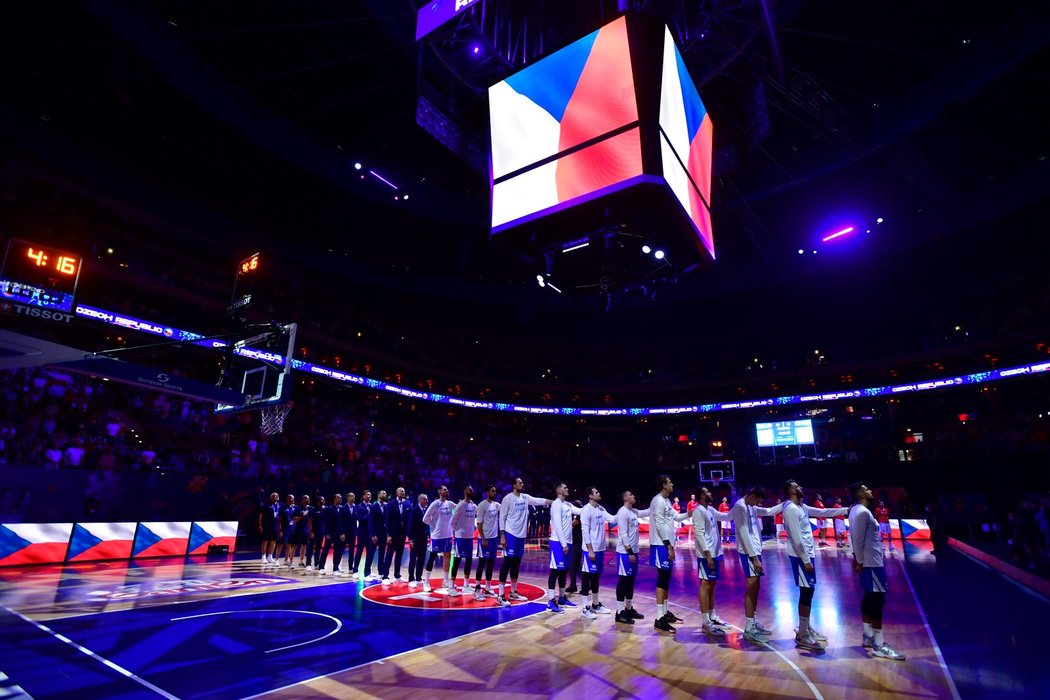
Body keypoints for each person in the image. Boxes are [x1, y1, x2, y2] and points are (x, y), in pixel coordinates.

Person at [781, 480, 849, 651]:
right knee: (806, 591)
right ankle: (803, 634)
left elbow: (822, 511)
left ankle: (806, 627)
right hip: (800, 557)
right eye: (797, 486)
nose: (801, 487)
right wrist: (805, 559)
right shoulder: (790, 509)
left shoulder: (801, 506)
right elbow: (795, 538)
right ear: (791, 491)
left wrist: (847, 510)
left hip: (808, 555)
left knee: (809, 592)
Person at [849, 482, 907, 660]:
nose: (870, 490)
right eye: (866, 489)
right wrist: (858, 560)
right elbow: (856, 538)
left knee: (869, 597)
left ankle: (868, 636)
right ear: (860, 494)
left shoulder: (857, 511)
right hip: (871, 563)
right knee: (877, 599)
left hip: (869, 561)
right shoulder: (862, 512)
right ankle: (879, 643)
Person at [730, 487, 784, 643]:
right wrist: (754, 558)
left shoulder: (751, 505)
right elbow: (744, 533)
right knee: (751, 585)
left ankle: (753, 622)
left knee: (756, 586)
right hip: (748, 552)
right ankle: (748, 627)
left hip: (755, 550)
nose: (758, 504)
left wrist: (784, 504)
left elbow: (767, 511)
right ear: (752, 496)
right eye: (758, 500)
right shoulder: (740, 506)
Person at [496, 477, 551, 608]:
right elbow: (502, 518)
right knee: (507, 563)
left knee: (516, 563)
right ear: (514, 485)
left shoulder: (525, 497)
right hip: (510, 534)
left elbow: (538, 501)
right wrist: (502, 536)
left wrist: (554, 502)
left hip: (521, 536)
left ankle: (513, 592)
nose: (523, 484)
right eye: (520, 483)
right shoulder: (507, 499)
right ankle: (500, 594)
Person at [649, 475, 691, 632]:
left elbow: (677, 517)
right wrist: (668, 546)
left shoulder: (666, 501)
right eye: (670, 482)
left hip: (667, 544)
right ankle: (659, 618)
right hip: (660, 545)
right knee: (662, 578)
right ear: (664, 485)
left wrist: (689, 513)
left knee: (666, 579)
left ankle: (665, 613)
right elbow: (659, 524)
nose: (672, 484)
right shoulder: (658, 500)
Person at [692, 487, 732, 636]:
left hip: (715, 553)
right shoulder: (698, 511)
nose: (711, 493)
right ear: (702, 495)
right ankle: (705, 622)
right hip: (705, 555)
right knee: (705, 584)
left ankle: (712, 616)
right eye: (707, 491)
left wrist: (742, 504)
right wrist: (708, 555)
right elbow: (699, 534)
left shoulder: (710, 509)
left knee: (712, 584)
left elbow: (726, 516)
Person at [579, 486, 617, 620]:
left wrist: (626, 511)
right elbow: (585, 532)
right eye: (596, 492)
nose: (599, 493)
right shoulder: (586, 510)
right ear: (590, 496)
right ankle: (585, 607)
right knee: (587, 576)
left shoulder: (601, 509)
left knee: (596, 577)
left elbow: (612, 519)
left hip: (600, 549)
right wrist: (590, 550)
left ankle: (595, 604)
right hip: (591, 550)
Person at [614, 490, 649, 625]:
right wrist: (629, 552)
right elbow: (622, 534)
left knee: (630, 581)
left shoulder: (633, 512)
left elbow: (645, 512)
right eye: (632, 495)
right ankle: (619, 613)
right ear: (626, 498)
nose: (634, 496)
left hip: (634, 551)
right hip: (625, 553)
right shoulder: (622, 512)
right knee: (623, 581)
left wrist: (655, 504)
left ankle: (628, 609)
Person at [547, 482, 582, 614]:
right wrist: (563, 544)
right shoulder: (556, 504)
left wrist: (592, 507)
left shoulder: (567, 504)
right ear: (559, 490)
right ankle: (551, 601)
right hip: (558, 543)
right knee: (555, 571)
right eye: (565, 487)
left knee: (564, 571)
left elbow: (579, 511)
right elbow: (557, 526)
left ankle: (562, 598)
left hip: (568, 542)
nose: (568, 489)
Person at [422, 485, 455, 593]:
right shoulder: (435, 504)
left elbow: (459, 509)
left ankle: (445, 580)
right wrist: (434, 525)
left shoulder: (450, 504)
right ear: (439, 491)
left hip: (448, 535)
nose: (446, 491)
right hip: (437, 536)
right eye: (444, 489)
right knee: (432, 557)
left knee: (447, 556)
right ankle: (426, 581)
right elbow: (425, 518)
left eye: (447, 489)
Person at [449, 485, 478, 596]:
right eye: (470, 489)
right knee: (457, 560)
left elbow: (476, 518)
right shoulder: (460, 505)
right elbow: (452, 521)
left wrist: (473, 527)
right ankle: (451, 586)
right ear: (465, 491)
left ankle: (466, 585)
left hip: (469, 537)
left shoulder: (473, 506)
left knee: (469, 560)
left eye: (472, 489)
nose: (472, 490)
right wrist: (457, 532)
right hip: (460, 538)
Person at [473, 485, 500, 600]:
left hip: (494, 539)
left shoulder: (497, 505)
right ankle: (477, 588)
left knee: (491, 564)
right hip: (484, 539)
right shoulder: (482, 505)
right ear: (487, 492)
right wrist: (483, 538)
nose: (495, 493)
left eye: (495, 491)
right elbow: (479, 524)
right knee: (482, 563)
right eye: (492, 491)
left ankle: (488, 588)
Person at [383, 487, 410, 583]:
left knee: (399, 555)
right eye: (401, 491)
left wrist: (408, 533)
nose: (403, 492)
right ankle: (385, 576)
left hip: (402, 534)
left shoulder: (407, 503)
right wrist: (389, 534)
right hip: (393, 534)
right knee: (389, 555)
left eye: (404, 491)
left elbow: (408, 519)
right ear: (396, 492)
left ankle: (397, 576)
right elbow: (388, 519)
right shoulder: (391, 503)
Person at [317, 493, 345, 576]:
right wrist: (327, 533)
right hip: (330, 533)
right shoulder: (328, 509)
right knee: (326, 550)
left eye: (340, 498)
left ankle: (335, 568)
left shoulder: (342, 509)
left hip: (339, 534)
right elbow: (326, 522)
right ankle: (321, 567)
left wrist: (342, 533)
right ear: (334, 499)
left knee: (338, 551)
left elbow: (343, 522)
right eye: (338, 498)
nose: (339, 499)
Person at [406, 492, 429, 588]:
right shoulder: (414, 510)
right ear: (420, 500)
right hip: (415, 539)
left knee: (421, 559)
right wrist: (411, 539)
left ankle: (418, 577)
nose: (427, 501)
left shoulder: (426, 510)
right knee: (413, 558)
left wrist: (428, 535)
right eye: (425, 499)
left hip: (423, 539)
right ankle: (411, 578)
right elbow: (410, 526)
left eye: (427, 499)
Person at [367, 490, 389, 583]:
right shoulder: (373, 506)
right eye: (383, 493)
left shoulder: (387, 506)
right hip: (375, 534)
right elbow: (371, 521)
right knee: (371, 553)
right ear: (378, 495)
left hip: (383, 534)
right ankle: (366, 573)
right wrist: (373, 534)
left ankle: (381, 572)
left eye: (385, 493)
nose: (385, 494)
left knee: (381, 554)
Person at [351, 490, 372, 580]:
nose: (369, 496)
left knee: (370, 552)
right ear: (363, 496)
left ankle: (367, 571)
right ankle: (355, 570)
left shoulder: (372, 506)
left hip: (370, 532)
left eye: (370, 495)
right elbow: (360, 519)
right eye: (367, 495)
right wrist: (369, 514)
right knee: (359, 552)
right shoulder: (359, 507)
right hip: (362, 532)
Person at [335, 492, 357, 576]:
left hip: (353, 533)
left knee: (352, 551)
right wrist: (341, 533)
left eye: (354, 496)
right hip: (344, 533)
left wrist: (356, 531)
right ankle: (336, 567)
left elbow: (356, 521)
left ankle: (350, 568)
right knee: (340, 550)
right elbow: (340, 522)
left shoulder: (356, 508)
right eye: (351, 496)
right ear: (347, 498)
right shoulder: (343, 508)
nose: (353, 497)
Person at [258, 492, 281, 565]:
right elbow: (260, 516)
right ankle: (263, 556)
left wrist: (280, 528)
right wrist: (260, 526)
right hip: (267, 526)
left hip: (275, 526)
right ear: (271, 498)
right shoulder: (266, 505)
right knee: (265, 541)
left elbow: (281, 517)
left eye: (277, 495)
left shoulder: (280, 505)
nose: (276, 497)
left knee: (273, 541)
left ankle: (270, 556)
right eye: (274, 496)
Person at [305, 495, 326, 573]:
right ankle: (308, 564)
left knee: (318, 548)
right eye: (321, 500)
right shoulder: (313, 510)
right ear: (317, 501)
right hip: (313, 532)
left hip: (321, 532)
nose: (323, 501)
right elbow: (309, 522)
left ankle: (317, 563)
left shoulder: (325, 510)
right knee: (310, 548)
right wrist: (310, 531)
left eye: (323, 500)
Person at [290, 495, 312, 570]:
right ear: (302, 500)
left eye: (308, 499)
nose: (307, 500)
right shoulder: (297, 508)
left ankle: (301, 561)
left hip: (306, 530)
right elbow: (295, 520)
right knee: (294, 546)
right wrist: (302, 515)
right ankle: (291, 562)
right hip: (298, 529)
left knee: (304, 546)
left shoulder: (310, 508)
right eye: (305, 498)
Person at [566, 506, 583, 594]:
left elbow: (572, 524)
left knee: (573, 564)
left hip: (577, 542)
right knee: (576, 565)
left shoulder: (579, 517)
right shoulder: (580, 515)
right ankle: (577, 585)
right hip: (577, 542)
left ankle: (574, 585)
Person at [277, 493, 296, 566]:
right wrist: (280, 529)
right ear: (287, 499)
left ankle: (286, 559)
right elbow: (279, 520)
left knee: (289, 545)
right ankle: (276, 559)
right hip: (284, 529)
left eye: (292, 498)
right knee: (280, 544)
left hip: (292, 529)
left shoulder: (295, 508)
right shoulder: (282, 508)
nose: (291, 500)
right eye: (290, 498)